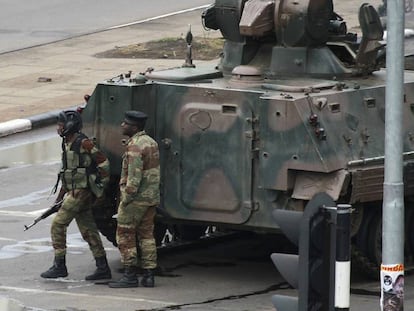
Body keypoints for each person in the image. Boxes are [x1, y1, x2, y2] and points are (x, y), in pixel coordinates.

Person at [41, 110, 112, 280]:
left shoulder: (83, 142)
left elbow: (103, 162)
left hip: (81, 192)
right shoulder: (67, 143)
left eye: (61, 125)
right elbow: (67, 172)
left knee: (58, 225)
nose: (59, 128)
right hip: (74, 191)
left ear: (70, 125)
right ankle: (103, 267)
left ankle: (60, 265)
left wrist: (100, 188)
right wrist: (59, 197)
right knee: (88, 230)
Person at [109, 110, 160, 288]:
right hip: (150, 198)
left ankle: (130, 274)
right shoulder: (151, 142)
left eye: (126, 123)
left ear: (134, 127)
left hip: (135, 199)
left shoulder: (135, 146)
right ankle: (149, 274)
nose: (122, 125)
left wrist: (126, 198)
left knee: (125, 234)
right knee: (146, 235)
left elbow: (134, 176)